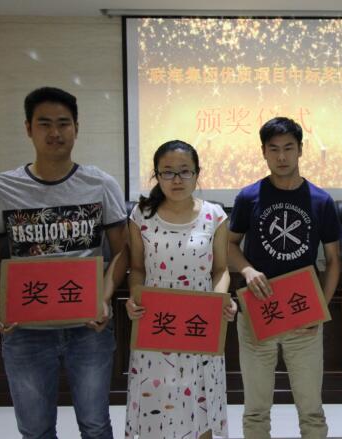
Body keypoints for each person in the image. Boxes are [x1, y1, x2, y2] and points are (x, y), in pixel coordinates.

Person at [0, 86, 129, 439]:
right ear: (28, 128)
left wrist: (104, 298)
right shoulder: (0, 189)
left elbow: (122, 251)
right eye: (45, 123)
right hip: (25, 329)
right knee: (35, 430)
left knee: (95, 426)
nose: (55, 132)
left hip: (88, 328)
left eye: (63, 123)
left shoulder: (101, 184)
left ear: (77, 128)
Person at [228, 117, 342, 439]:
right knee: (255, 410)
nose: (281, 157)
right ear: (263, 152)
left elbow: (334, 260)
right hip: (256, 311)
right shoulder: (248, 197)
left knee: (311, 410)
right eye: (274, 149)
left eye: (289, 148)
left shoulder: (321, 200)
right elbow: (229, 245)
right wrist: (247, 269)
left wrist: (320, 308)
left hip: (302, 312)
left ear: (300, 150)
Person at [124, 140, 237, 439]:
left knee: (200, 405)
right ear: (156, 175)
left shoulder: (215, 215)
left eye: (185, 171)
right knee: (156, 404)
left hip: (198, 324)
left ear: (197, 174)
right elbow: (137, 268)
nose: (177, 179)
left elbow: (221, 269)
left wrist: (219, 301)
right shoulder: (140, 215)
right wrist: (134, 297)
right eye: (168, 172)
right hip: (155, 322)